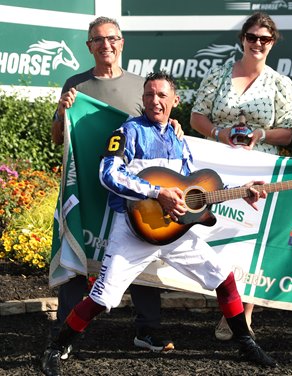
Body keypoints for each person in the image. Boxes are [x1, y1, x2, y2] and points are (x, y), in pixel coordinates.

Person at [41, 71, 277, 376]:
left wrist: (243, 191)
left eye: (162, 95)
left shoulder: (179, 139)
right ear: (142, 99)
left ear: (175, 100)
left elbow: (193, 187)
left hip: (174, 233)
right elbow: (108, 174)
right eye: (149, 94)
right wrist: (156, 192)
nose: (155, 101)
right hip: (133, 229)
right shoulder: (127, 132)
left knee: (224, 278)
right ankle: (56, 348)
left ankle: (246, 343)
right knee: (103, 298)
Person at [50, 16, 183, 359]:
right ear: (89, 46)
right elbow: (56, 138)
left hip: (135, 192)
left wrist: (175, 126)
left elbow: (157, 124)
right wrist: (62, 113)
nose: (105, 44)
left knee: (144, 252)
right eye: (97, 39)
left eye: (111, 38)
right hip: (87, 188)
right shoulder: (75, 86)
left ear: (121, 43)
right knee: (79, 251)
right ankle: (64, 332)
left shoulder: (143, 86)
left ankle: (147, 330)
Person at [190, 11, 292, 341]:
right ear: (243, 40)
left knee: (250, 242)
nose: (258, 44)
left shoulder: (281, 83)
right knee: (219, 237)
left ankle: (242, 315)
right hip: (219, 169)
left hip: (259, 171)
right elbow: (196, 118)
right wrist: (219, 133)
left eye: (265, 39)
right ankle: (227, 306)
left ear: (273, 42)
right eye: (252, 37)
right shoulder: (217, 75)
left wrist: (260, 135)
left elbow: (288, 132)